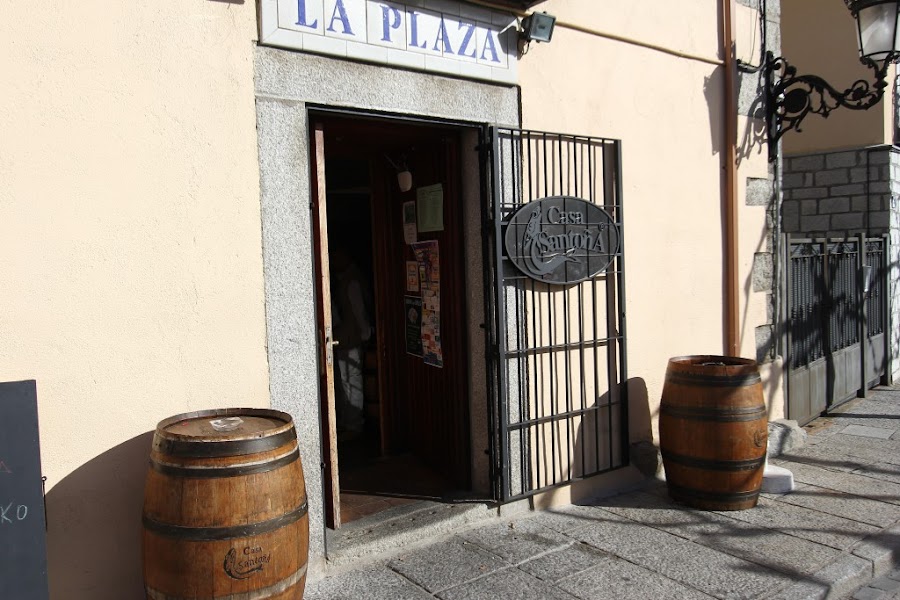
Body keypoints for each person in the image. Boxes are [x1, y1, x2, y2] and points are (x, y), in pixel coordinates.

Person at [330, 248, 372, 440]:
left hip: (351, 338)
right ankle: (347, 422)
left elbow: (358, 310)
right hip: (344, 338)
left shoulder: (351, 281)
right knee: (344, 381)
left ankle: (354, 425)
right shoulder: (345, 280)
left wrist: (365, 334)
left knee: (351, 380)